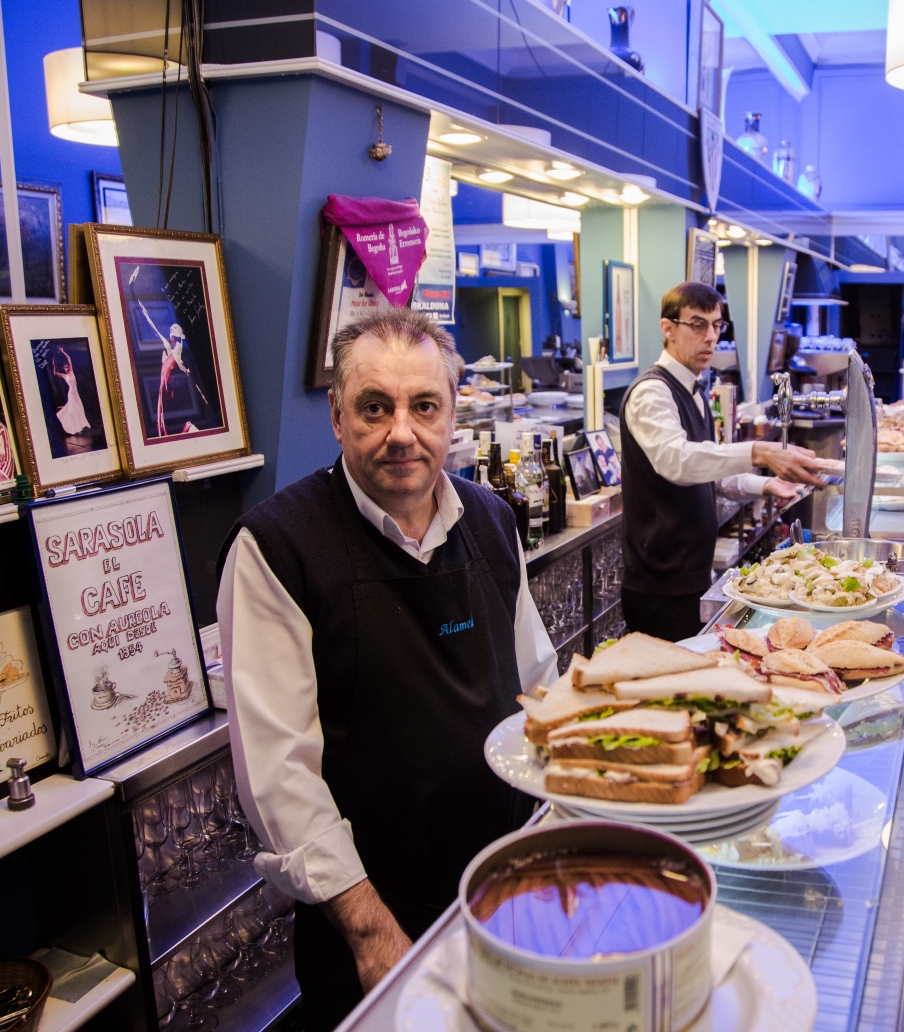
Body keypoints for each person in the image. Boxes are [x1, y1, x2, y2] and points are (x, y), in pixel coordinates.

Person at [216, 306, 558, 1031]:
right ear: (338, 417)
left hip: (505, 891)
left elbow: (539, 691)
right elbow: (280, 777)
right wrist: (371, 932)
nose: (402, 432)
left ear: (452, 413)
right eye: (375, 407)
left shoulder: (494, 521)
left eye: (423, 406)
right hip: (373, 919)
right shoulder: (276, 549)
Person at [620, 282, 824, 642]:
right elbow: (677, 462)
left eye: (717, 325)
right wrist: (758, 452)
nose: (711, 337)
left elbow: (707, 473)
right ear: (668, 329)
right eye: (698, 325)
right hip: (660, 584)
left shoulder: (694, 391)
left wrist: (764, 484)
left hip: (690, 574)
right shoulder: (652, 392)